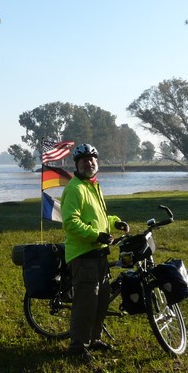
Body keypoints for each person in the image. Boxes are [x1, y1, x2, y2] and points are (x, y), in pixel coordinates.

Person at [60, 143, 129, 362]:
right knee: (85, 305)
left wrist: (114, 222)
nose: (89, 163)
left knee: (101, 302)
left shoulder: (93, 186)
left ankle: (94, 339)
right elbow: (71, 222)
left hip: (98, 253)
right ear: (77, 165)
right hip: (83, 255)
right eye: (84, 160)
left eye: (92, 159)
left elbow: (98, 217)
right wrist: (95, 236)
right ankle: (77, 348)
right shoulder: (75, 189)